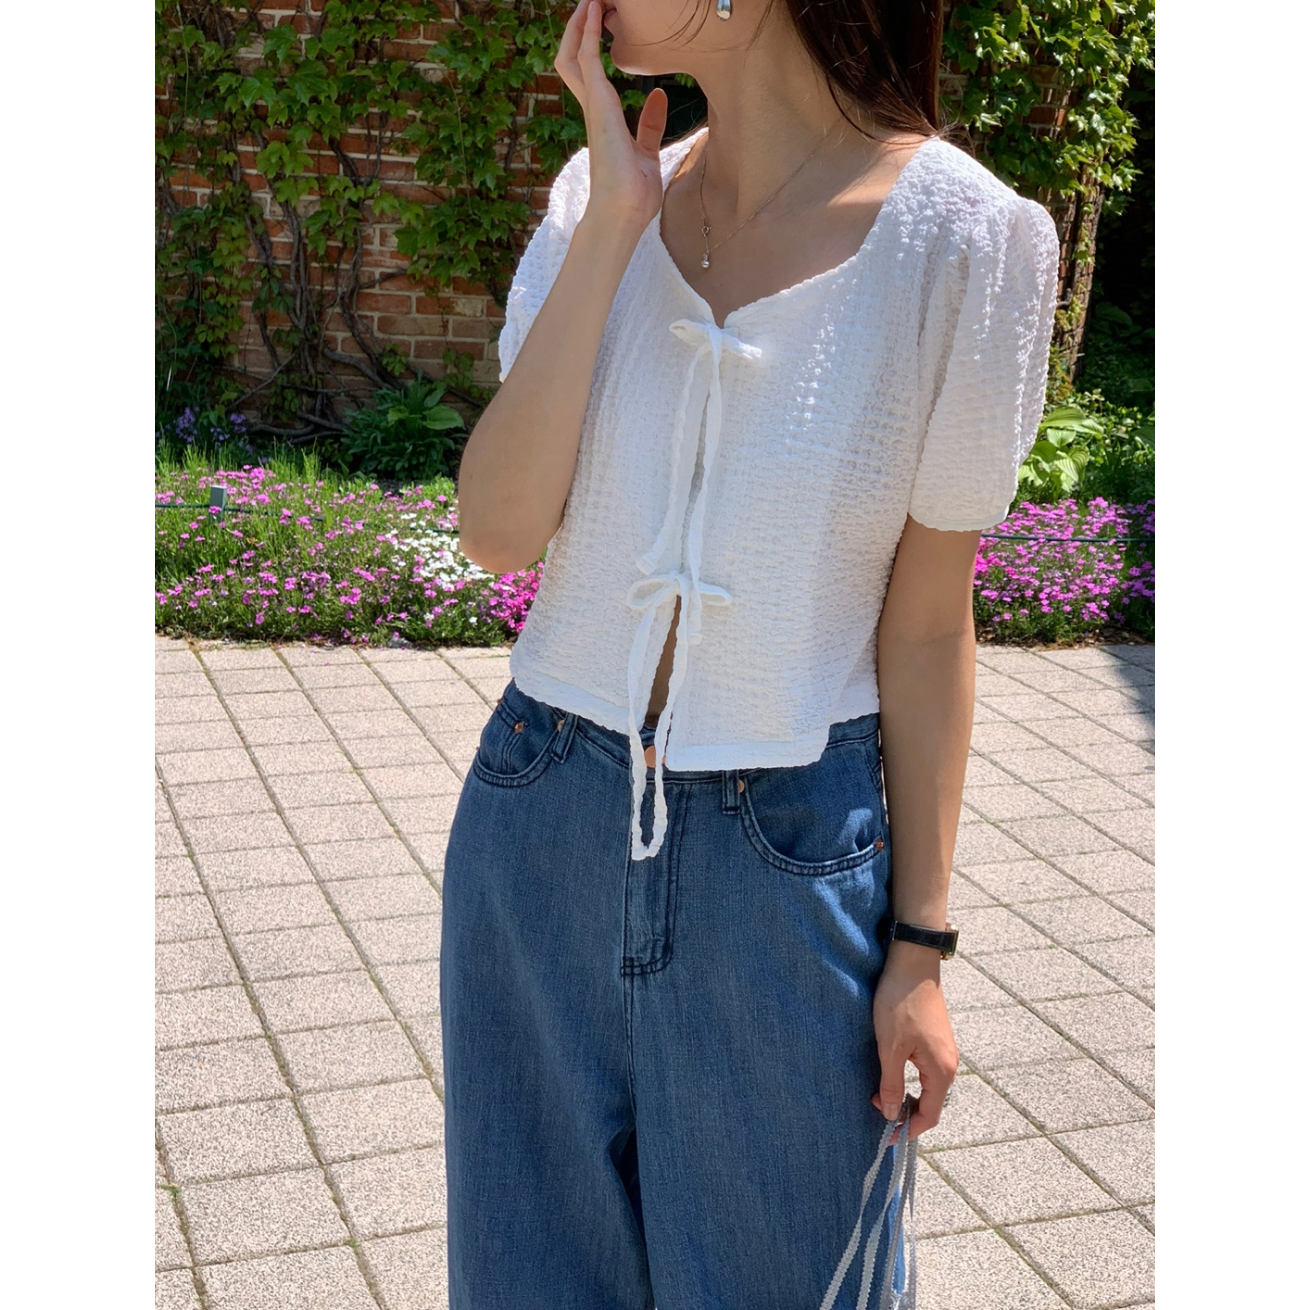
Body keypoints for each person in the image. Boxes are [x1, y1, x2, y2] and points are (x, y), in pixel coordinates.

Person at [441, 1, 1058, 1306]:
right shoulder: (597, 196)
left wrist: (918, 948)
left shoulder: (965, 241)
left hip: (785, 852)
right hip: (539, 817)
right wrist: (614, 223)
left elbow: (926, 626)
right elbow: (497, 529)